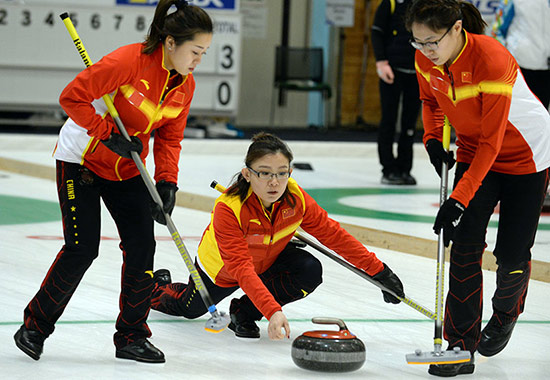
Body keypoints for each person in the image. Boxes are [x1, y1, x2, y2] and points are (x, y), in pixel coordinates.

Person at [13, 0, 213, 364]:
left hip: (126, 168)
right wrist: (107, 134)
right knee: (82, 247)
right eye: (196, 51)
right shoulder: (128, 61)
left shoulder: (185, 86)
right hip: (82, 160)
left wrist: (168, 182)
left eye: (204, 52)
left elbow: (169, 137)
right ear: (170, 42)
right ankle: (34, 326)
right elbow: (72, 98)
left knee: (141, 247)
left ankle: (132, 336)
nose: (199, 59)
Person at [405, 0, 550, 377]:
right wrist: (433, 139)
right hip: (474, 149)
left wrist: (458, 199)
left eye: (432, 42)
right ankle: (459, 346)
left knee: (512, 254)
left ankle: (506, 313)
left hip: (525, 155)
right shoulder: (426, 59)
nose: (426, 52)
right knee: (465, 243)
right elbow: (429, 100)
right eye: (417, 43)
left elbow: (493, 142)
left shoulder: (492, 59)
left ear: (456, 29)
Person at [150, 132, 405, 340]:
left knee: (308, 269)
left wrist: (379, 272)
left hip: (267, 263)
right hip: (223, 271)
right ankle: (157, 285)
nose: (274, 182)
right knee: (189, 308)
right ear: (248, 174)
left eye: (282, 172)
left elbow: (333, 235)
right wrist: (273, 311)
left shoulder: (296, 198)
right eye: (265, 173)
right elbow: (240, 267)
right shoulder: (229, 208)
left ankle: (244, 312)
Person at [371, 0, 422, 185]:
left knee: (409, 124)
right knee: (389, 120)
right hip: (391, 71)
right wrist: (381, 62)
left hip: (416, 73)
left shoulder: (423, 5)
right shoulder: (390, 4)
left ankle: (404, 168)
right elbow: (377, 32)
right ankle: (388, 168)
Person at [493, 0, 550, 110]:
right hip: (519, 63)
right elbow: (498, 28)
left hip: (546, 65)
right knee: (519, 111)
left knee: (542, 112)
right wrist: (502, 58)